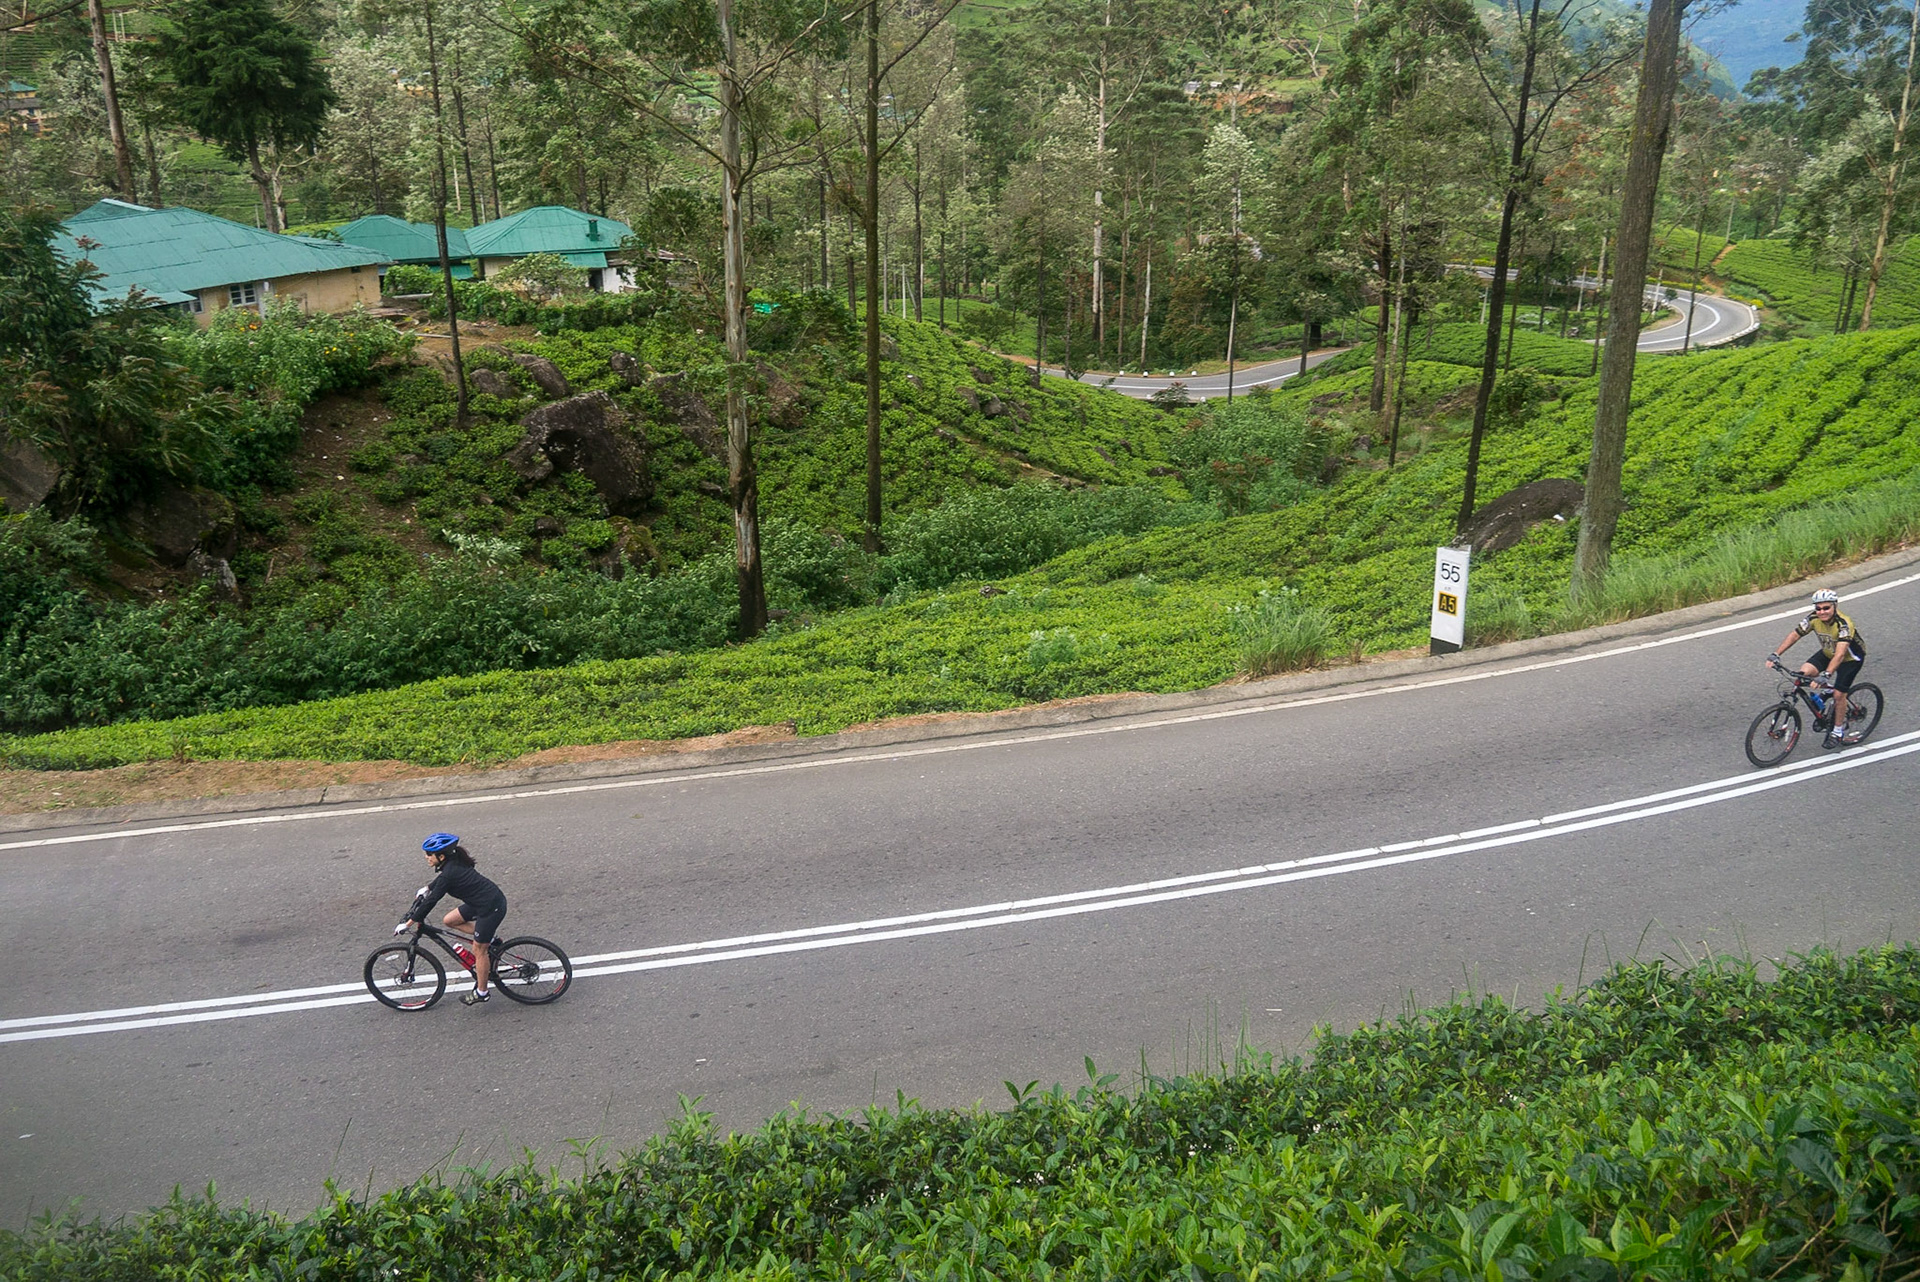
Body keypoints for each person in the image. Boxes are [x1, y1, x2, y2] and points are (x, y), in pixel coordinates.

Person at [400, 833, 508, 1005]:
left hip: (490, 907)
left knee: (479, 950)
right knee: (450, 920)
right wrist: (427, 888)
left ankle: (482, 992)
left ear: (441, 856)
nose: (426, 857)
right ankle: (492, 939)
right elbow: (441, 882)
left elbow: (432, 901)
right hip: (482, 901)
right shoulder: (453, 861)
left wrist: (409, 922)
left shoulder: (449, 873)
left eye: (429, 854)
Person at [1768, 587, 1867, 749]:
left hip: (1850, 658)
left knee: (1838, 695)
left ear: (1835, 606)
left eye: (1826, 608)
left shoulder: (1844, 624)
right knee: (1803, 674)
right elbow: (1795, 634)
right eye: (1818, 608)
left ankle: (1837, 730)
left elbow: (1840, 655)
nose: (1822, 612)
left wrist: (1826, 674)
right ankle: (1827, 690)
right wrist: (1776, 653)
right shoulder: (1813, 618)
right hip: (1828, 652)